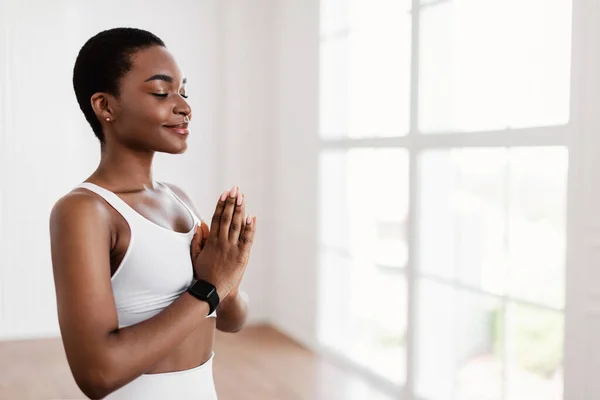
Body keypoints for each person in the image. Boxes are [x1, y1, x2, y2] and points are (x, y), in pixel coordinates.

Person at [49, 27, 256, 400]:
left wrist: (229, 282)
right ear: (106, 106)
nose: (184, 106)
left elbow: (232, 321)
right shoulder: (84, 210)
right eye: (162, 92)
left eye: (183, 91)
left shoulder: (178, 200)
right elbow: (97, 374)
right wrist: (208, 288)